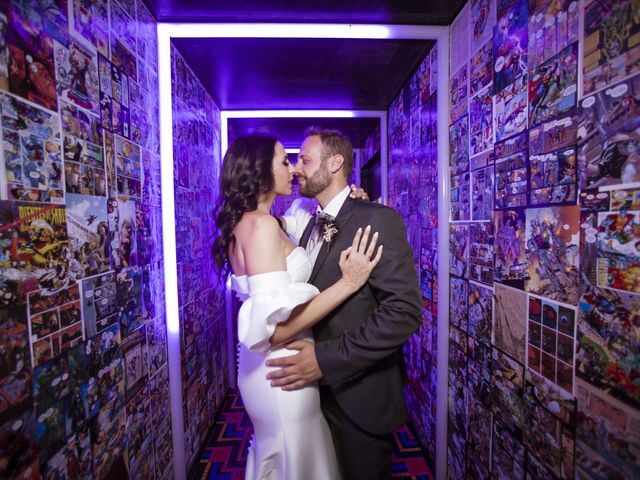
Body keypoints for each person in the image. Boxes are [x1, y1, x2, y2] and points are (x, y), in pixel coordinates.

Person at [212, 132, 383, 480]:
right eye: (284, 161)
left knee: (294, 454)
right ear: (260, 170)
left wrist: (352, 201)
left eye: (297, 160)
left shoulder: (258, 223)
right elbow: (272, 332)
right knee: (295, 455)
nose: (292, 169)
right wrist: (347, 284)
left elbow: (307, 220)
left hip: (274, 365)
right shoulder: (259, 226)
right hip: (282, 365)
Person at [266, 128, 422, 479]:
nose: (296, 169)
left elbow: (404, 313)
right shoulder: (309, 225)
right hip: (314, 396)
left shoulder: (378, 219)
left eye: (305, 160)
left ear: (335, 162)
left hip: (360, 399)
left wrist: (324, 359)